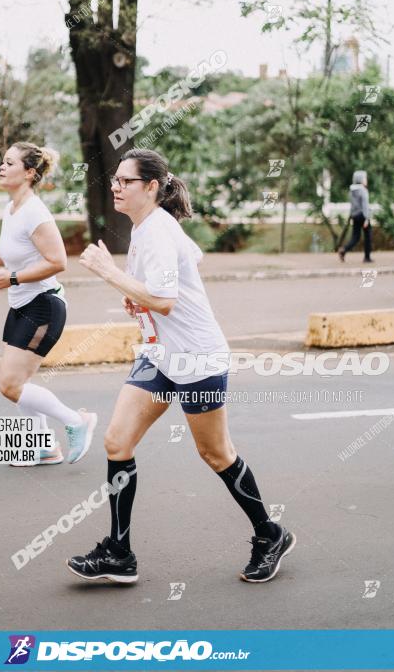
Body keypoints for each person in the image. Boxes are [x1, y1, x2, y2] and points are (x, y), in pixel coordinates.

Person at [66, 148, 296, 584]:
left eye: (125, 181)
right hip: (160, 356)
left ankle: (270, 534)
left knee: (215, 453)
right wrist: (139, 295)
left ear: (151, 187)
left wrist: (110, 273)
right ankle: (119, 552)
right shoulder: (151, 227)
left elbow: (167, 300)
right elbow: (191, 258)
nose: (115, 187)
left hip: (197, 357)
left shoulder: (156, 232)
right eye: (114, 180)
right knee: (117, 442)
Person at [0, 142, 97, 465]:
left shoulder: (35, 212)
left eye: (9, 163)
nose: (1, 167)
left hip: (43, 306)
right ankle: (44, 447)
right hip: (23, 305)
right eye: (2, 161)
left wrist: (11, 279)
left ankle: (77, 421)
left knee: (9, 385)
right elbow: (17, 258)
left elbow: (58, 261)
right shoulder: (12, 210)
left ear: (28, 172)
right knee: (18, 383)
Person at [338, 170, 372, 263]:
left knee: (355, 237)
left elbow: (352, 205)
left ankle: (344, 249)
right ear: (361, 179)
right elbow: (365, 205)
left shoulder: (352, 190)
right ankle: (367, 257)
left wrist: (352, 216)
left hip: (355, 215)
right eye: (365, 178)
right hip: (363, 215)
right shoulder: (363, 190)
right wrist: (367, 219)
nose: (366, 180)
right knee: (368, 237)